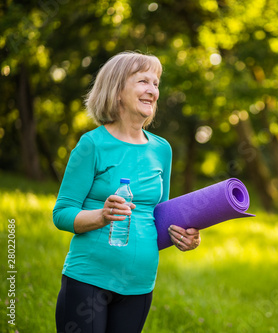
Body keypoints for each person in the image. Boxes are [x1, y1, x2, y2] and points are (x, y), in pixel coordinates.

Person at [53, 51, 201, 333]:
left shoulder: (162, 149)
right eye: (143, 81)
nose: (153, 90)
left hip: (140, 284)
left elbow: (161, 217)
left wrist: (185, 236)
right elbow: (61, 214)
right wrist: (101, 216)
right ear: (117, 90)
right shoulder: (92, 145)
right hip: (89, 280)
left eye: (156, 83)